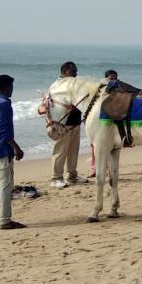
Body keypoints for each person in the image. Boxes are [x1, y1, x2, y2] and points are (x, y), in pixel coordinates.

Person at [0, 74, 25, 230]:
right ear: (7, 87)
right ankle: (5, 220)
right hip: (2, 151)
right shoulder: (4, 104)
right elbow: (4, 131)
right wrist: (16, 147)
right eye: (12, 87)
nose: (12, 90)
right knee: (5, 186)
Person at [50, 61, 82, 189]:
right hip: (62, 124)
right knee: (60, 151)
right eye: (72, 72)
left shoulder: (72, 84)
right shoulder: (57, 86)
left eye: (76, 71)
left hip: (74, 122)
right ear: (64, 72)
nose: (75, 74)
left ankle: (72, 176)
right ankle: (56, 177)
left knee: (73, 151)